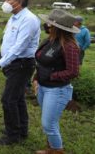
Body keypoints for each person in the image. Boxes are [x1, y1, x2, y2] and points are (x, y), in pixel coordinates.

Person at [0, 0, 40, 145]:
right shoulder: (14, 18)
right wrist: (3, 57)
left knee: (8, 99)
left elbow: (19, 47)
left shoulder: (29, 19)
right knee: (18, 98)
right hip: (13, 63)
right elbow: (9, 41)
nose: (5, 2)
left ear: (19, 1)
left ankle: (12, 135)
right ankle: (21, 129)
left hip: (21, 64)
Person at [33, 9, 80, 154]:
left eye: (50, 23)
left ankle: (57, 151)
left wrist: (51, 76)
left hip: (58, 90)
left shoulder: (69, 46)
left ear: (57, 28)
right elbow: (42, 62)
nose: (47, 25)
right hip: (43, 87)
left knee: (48, 124)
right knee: (50, 122)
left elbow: (73, 71)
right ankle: (51, 148)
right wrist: (37, 78)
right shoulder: (49, 40)